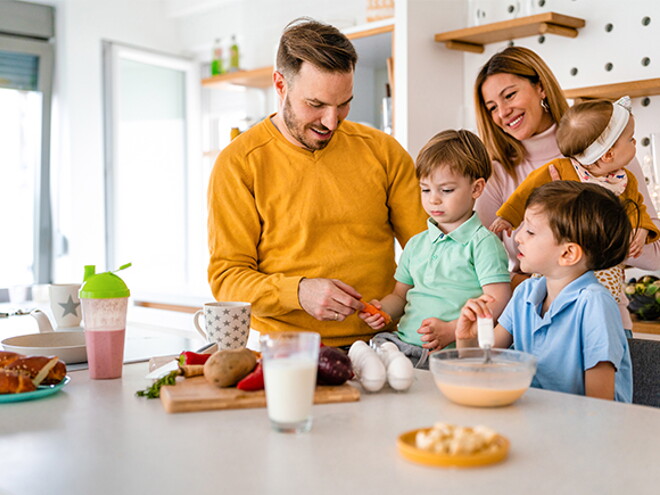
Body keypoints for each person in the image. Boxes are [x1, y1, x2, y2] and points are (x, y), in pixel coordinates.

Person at [207, 18, 426, 346]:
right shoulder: (239, 163)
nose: (331, 121)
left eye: (343, 104)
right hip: (284, 349)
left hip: (383, 343)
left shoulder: (384, 152)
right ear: (280, 85)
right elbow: (227, 279)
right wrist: (297, 291)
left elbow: (427, 252)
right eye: (316, 104)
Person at [473, 46, 660, 331]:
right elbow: (478, 260)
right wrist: (524, 283)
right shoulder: (497, 173)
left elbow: (654, 253)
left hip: (605, 323)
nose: (503, 112)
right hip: (533, 325)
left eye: (510, 95)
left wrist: (601, 221)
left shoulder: (609, 153)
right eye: (492, 108)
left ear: (541, 88)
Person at [457, 181, 633, 402]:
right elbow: (484, 364)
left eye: (530, 231)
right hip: (536, 418)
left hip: (584, 428)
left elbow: (600, 405)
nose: (517, 237)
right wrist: (469, 340)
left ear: (568, 254)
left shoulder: (595, 304)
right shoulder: (525, 293)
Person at [490, 97, 660, 311]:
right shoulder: (560, 169)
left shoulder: (625, 180)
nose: (635, 143)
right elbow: (525, 192)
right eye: (631, 139)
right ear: (608, 154)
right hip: (559, 270)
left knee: (599, 306)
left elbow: (637, 209)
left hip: (602, 271)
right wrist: (508, 217)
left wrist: (643, 230)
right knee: (554, 304)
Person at [359, 130, 511, 368]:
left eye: (446, 190)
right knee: (371, 349)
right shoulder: (417, 243)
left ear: (476, 188)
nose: (434, 200)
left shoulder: (483, 243)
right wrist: (383, 310)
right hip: (403, 343)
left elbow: (499, 300)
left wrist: (453, 331)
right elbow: (400, 296)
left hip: (447, 353)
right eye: (425, 189)